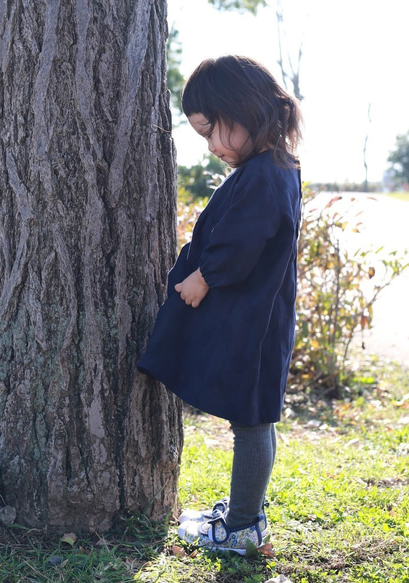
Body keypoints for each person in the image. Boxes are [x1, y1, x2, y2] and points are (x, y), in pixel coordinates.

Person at [137, 55, 303, 555]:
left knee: (251, 422)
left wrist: (204, 277)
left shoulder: (265, 174)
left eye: (213, 132)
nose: (211, 148)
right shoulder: (270, 168)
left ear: (245, 109)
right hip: (260, 319)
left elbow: (245, 239)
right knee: (254, 418)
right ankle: (243, 518)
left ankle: (242, 529)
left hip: (255, 325)